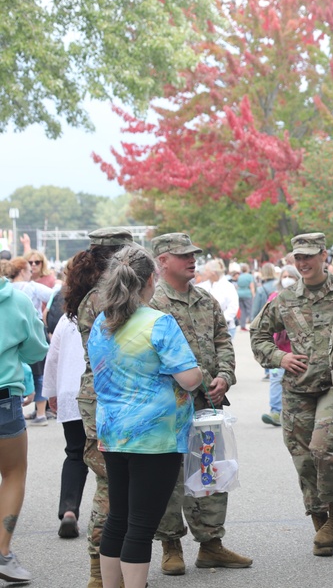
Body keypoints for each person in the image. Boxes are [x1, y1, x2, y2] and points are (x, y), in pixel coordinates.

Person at [88, 244, 204, 588]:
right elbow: (190, 378)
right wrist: (196, 370)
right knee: (141, 523)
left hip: (113, 432)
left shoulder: (101, 322)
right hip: (155, 438)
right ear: (152, 279)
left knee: (118, 519)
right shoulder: (159, 323)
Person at [149, 233, 252, 575]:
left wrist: (224, 375)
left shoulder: (205, 300)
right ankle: (170, 544)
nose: (192, 260)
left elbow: (224, 341)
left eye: (193, 254)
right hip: (167, 406)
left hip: (207, 403)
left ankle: (211, 545)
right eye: (183, 255)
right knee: (168, 476)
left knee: (209, 471)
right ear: (162, 260)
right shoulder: (151, 304)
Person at [249, 233, 333, 556]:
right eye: (298, 258)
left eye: (309, 256)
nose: (303, 263)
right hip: (297, 390)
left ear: (324, 255)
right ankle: (320, 523)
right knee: (303, 459)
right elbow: (258, 333)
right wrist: (280, 358)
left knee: (322, 449)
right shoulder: (285, 299)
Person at [63, 227, 134, 588]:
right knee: (111, 483)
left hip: (105, 396)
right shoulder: (104, 297)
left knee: (115, 482)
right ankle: (100, 569)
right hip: (111, 396)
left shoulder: (96, 294)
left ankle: (107, 567)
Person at [0, 268, 49, 583]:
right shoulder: (17, 300)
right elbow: (36, 350)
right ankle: (2, 553)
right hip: (5, 398)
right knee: (14, 473)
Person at [41, 258, 89, 540]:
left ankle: (69, 509)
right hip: (98, 392)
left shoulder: (67, 318)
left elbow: (53, 357)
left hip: (70, 391)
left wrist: (52, 394)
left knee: (75, 453)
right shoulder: (106, 312)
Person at [9, 256, 53, 426]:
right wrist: (46, 311)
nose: (33, 269)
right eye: (30, 267)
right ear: (22, 271)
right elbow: (54, 294)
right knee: (39, 375)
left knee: (18, 373)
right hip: (31, 333)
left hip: (12, 337)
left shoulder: (6, 290)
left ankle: (18, 409)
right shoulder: (31, 288)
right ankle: (41, 412)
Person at [260, 265, 298, 426]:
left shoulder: (302, 297)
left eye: (291, 276)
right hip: (279, 350)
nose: (287, 278)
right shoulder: (274, 297)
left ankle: (294, 414)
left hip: (297, 350)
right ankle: (275, 412)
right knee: (276, 380)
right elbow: (263, 322)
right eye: (284, 275)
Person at [203, 261, 239, 338]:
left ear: (213, 272)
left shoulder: (228, 287)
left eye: (206, 270)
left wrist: (218, 320)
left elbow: (233, 308)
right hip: (207, 329)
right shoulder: (203, 286)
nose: (204, 272)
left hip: (225, 329)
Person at [235, 264, 255, 332]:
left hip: (239, 294)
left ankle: (242, 325)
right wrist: (253, 295)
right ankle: (252, 325)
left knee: (242, 310)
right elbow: (251, 286)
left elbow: (238, 285)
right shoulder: (250, 276)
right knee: (250, 310)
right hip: (247, 294)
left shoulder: (240, 277)